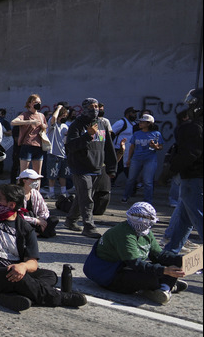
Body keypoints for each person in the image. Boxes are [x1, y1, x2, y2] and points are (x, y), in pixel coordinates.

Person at [0, 184, 86, 311]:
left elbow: (33, 263)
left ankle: (11, 296)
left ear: (11, 204)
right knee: (17, 277)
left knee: (50, 276)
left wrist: (23, 267)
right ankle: (60, 298)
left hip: (11, 271)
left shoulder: (25, 228)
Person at [84, 202, 186, 305]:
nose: (143, 220)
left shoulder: (146, 232)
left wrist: (183, 260)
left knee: (174, 264)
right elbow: (134, 263)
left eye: (147, 217)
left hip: (124, 267)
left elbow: (159, 255)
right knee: (153, 276)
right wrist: (164, 270)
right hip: (109, 274)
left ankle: (163, 287)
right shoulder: (124, 233)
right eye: (139, 216)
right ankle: (164, 286)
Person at [64, 98, 117, 238]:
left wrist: (111, 167)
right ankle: (88, 226)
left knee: (84, 196)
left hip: (96, 167)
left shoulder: (102, 124)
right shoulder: (77, 125)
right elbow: (71, 146)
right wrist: (88, 135)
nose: (95, 109)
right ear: (85, 108)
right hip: (80, 167)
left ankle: (70, 220)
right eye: (92, 106)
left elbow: (108, 147)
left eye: (97, 106)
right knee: (87, 198)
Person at [162, 88, 203, 254]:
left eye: (191, 103)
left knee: (198, 217)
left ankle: (170, 250)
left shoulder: (194, 127)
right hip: (195, 179)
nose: (189, 106)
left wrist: (169, 171)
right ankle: (170, 252)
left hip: (194, 178)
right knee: (185, 219)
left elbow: (189, 154)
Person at [121, 114, 163, 203]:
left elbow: (160, 146)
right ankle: (126, 196)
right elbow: (132, 147)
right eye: (140, 122)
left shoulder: (156, 134)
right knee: (131, 179)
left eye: (142, 122)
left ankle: (147, 200)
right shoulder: (136, 133)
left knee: (148, 181)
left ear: (149, 123)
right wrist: (129, 159)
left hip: (150, 159)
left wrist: (156, 147)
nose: (140, 123)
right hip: (136, 159)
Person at [10, 94, 48, 185]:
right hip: (27, 145)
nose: (38, 104)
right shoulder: (25, 114)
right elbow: (13, 122)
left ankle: (36, 194)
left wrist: (43, 127)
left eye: (39, 102)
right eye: (36, 102)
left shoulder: (41, 115)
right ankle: (22, 194)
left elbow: (45, 128)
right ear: (30, 103)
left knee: (37, 174)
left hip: (38, 146)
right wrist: (30, 121)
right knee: (24, 173)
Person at [17, 169, 58, 238]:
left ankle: (35, 233)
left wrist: (41, 220)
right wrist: (36, 221)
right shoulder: (16, 194)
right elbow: (15, 215)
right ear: (24, 180)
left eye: (37, 180)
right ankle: (37, 233)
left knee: (53, 219)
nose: (36, 182)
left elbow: (44, 210)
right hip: (22, 220)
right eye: (33, 180)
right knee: (24, 218)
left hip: (35, 220)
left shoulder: (35, 193)